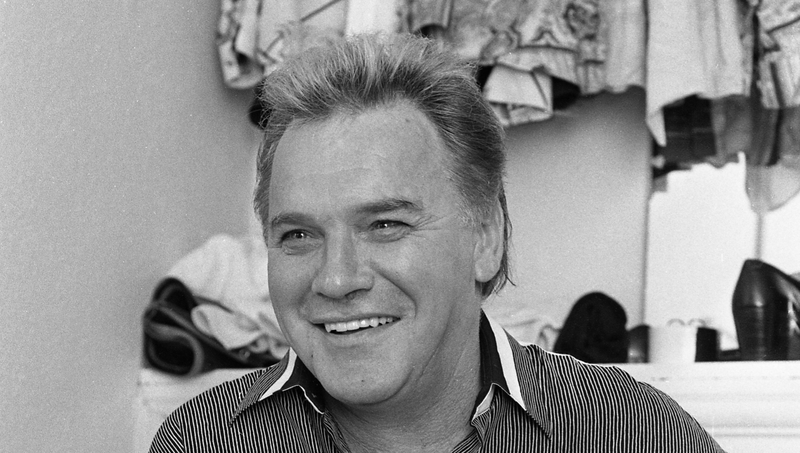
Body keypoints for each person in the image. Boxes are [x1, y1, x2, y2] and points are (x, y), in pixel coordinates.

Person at [149, 33, 725, 452]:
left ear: (487, 237)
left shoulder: (633, 435)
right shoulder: (202, 440)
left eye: (386, 225)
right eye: (298, 235)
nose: (337, 278)